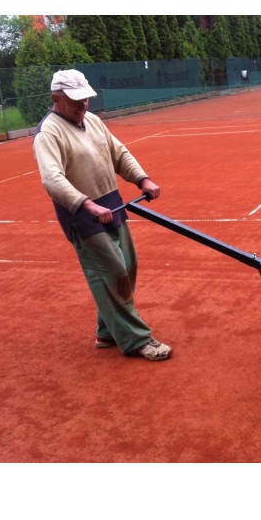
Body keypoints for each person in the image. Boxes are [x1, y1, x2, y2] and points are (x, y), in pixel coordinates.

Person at [33, 69, 172, 361]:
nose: (83, 105)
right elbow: (52, 178)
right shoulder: (49, 132)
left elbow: (118, 153)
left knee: (128, 266)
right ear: (56, 99)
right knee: (113, 273)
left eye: (85, 99)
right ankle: (136, 339)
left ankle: (107, 332)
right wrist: (87, 204)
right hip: (82, 215)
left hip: (112, 204)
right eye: (76, 100)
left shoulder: (93, 120)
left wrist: (142, 179)